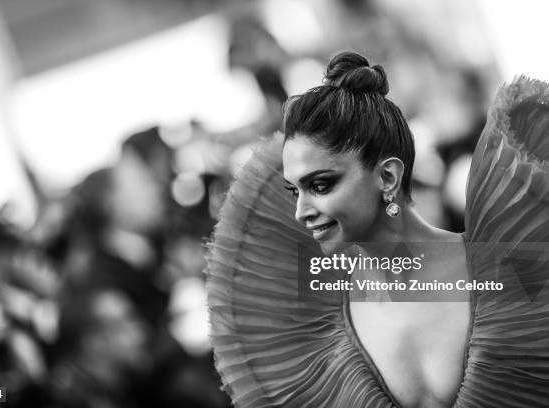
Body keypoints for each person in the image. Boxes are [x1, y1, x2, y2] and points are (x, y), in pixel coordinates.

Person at [205, 51, 549, 407]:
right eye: (295, 191)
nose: (300, 212)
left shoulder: (511, 269)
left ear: (387, 176)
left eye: (321, 185)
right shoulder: (315, 334)